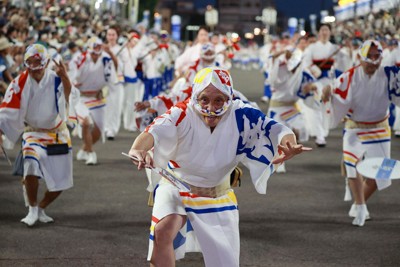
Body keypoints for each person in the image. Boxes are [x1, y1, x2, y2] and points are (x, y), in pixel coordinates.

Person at [128, 67, 311, 266]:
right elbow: (153, 131)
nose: (211, 107)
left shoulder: (241, 114)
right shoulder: (182, 112)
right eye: (204, 99)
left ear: (229, 98)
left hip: (217, 193)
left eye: (219, 100)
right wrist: (138, 149)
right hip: (176, 185)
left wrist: (289, 142)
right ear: (196, 96)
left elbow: (275, 128)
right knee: (163, 231)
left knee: (225, 262)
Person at [321, 40, 400, 227]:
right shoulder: (349, 77)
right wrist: (327, 94)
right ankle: (362, 206)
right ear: (360, 57)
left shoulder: (390, 74)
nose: (373, 61)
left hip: (380, 128)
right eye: (369, 56)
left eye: (376, 56)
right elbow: (334, 93)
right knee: (352, 165)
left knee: (380, 174)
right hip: (355, 127)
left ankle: (359, 202)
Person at [0, 43, 78, 226]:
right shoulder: (19, 82)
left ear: (46, 62)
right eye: (30, 62)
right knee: (31, 166)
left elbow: (70, 97)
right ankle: (32, 208)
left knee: (62, 181)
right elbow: (6, 109)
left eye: (38, 62)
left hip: (57, 134)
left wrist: (65, 76)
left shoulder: (56, 79)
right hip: (33, 133)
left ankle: (42, 207)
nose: (34, 67)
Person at [69, 36, 118, 165]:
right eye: (94, 49)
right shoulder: (79, 59)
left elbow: (112, 78)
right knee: (85, 123)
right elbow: (72, 78)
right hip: (81, 97)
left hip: (97, 98)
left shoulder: (106, 59)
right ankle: (91, 153)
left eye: (98, 48)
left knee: (99, 130)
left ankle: (84, 149)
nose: (96, 53)